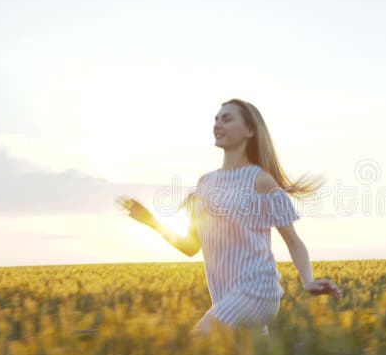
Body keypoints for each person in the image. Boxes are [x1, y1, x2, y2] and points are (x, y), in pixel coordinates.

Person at [117, 98, 341, 336]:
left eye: (227, 118)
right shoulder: (205, 183)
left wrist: (308, 281)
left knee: (194, 345)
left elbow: (293, 241)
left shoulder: (261, 181)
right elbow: (190, 246)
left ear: (249, 130)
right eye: (216, 119)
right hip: (226, 297)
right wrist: (150, 221)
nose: (217, 124)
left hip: (256, 291)